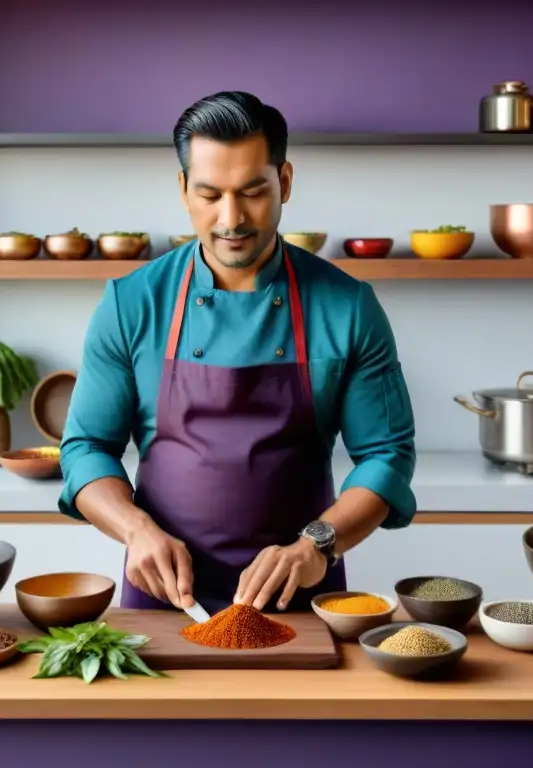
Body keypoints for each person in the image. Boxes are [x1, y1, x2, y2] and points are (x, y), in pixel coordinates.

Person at [59, 91, 416, 615]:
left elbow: (386, 455)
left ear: (285, 182)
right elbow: (86, 447)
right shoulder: (131, 303)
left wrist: (316, 544)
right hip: (163, 594)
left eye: (252, 191)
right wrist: (135, 530)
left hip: (305, 591)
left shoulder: (348, 306)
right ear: (183, 190)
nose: (232, 218)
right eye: (210, 195)